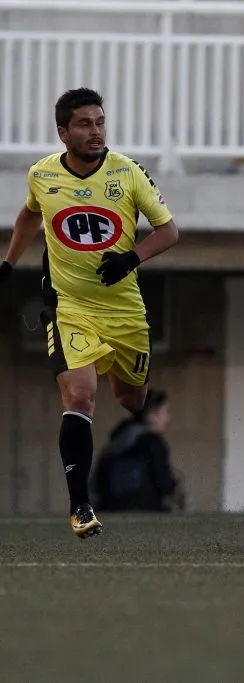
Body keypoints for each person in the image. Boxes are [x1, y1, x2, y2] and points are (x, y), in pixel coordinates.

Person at [0, 88, 179, 539]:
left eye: (99, 122)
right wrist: (7, 263)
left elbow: (169, 231)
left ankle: (129, 389)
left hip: (124, 311)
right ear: (63, 132)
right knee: (80, 396)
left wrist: (130, 259)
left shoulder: (127, 172)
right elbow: (28, 217)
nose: (96, 131)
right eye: (84, 124)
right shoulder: (42, 175)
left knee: (131, 400)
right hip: (69, 306)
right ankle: (80, 506)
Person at [92, 389, 183, 513]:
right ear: (151, 414)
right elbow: (164, 484)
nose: (168, 419)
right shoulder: (152, 442)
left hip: (110, 511)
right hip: (146, 511)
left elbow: (98, 483)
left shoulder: (117, 441)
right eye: (165, 412)